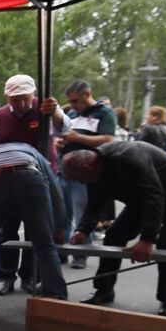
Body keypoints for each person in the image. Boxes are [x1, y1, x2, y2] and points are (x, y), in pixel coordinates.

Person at [64, 140, 166, 317]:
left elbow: (153, 194)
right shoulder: (93, 172)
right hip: (144, 199)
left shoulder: (128, 158)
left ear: (88, 167)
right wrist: (82, 230)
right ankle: (104, 290)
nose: (76, 182)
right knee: (114, 236)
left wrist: (147, 239)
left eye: (76, 178)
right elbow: (95, 204)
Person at [0, 74, 66, 293]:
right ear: (7, 97)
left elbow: (64, 129)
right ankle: (6, 275)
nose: (21, 104)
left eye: (25, 98)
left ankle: (30, 275)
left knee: (37, 232)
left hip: (40, 180)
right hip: (7, 180)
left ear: (33, 95)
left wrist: (56, 112)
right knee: (7, 231)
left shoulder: (45, 110)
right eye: (15, 99)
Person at [0, 142, 67, 318]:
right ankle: (55, 299)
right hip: (29, 176)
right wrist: (59, 227)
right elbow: (55, 190)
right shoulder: (31, 151)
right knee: (44, 244)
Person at [56, 80, 116, 269]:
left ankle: (81, 253)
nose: (73, 105)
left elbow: (108, 139)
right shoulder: (72, 114)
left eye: (76, 101)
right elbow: (64, 134)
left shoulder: (105, 114)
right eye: (71, 101)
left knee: (83, 214)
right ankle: (63, 251)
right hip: (65, 169)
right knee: (62, 213)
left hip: (87, 173)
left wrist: (79, 138)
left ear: (87, 94)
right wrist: (61, 142)